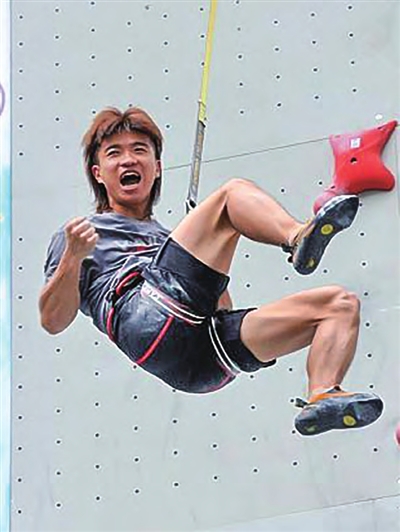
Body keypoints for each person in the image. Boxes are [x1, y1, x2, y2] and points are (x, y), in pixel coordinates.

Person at [39, 107, 383, 436]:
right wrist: (73, 257)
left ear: (157, 168)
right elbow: (53, 320)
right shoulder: (83, 234)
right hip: (143, 316)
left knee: (338, 305)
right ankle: (297, 237)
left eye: (139, 150)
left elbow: (220, 309)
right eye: (114, 153)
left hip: (201, 364)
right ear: (98, 173)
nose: (128, 159)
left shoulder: (168, 239)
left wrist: (207, 257)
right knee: (233, 194)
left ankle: (322, 394)